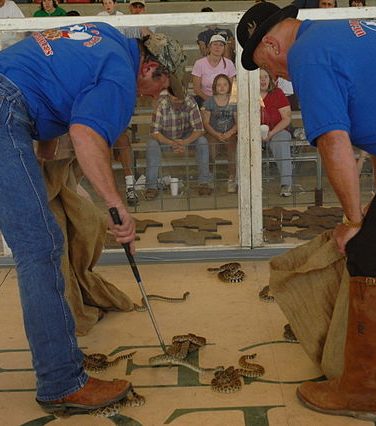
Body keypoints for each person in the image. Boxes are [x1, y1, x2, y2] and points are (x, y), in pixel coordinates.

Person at [237, 2, 376, 422]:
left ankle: (361, 392)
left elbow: (333, 141)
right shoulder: (337, 33)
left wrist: (354, 222)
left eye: (264, 65)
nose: (274, 76)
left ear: (271, 45)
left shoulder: (308, 57)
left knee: (368, 251)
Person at [0, 23, 186, 415]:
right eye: (162, 86)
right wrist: (117, 206)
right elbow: (86, 135)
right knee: (41, 248)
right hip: (4, 111)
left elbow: (52, 81)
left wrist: (44, 151)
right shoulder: (119, 76)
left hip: (10, 96)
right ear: (150, 68)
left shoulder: (104, 36)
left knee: (39, 242)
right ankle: (61, 384)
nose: (156, 95)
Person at [145, 86, 212, 199]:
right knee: (152, 144)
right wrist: (172, 143)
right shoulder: (161, 104)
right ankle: (151, 186)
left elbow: (199, 130)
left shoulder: (190, 101)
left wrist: (184, 142)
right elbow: (154, 132)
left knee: (202, 141)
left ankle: (204, 183)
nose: (179, 102)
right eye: (175, 99)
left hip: (186, 137)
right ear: (169, 96)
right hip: (165, 138)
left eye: (181, 99)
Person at [201, 74, 238, 193]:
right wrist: (216, 134)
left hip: (230, 134)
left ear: (229, 86)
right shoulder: (209, 102)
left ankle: (231, 179)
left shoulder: (233, 101)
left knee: (232, 151)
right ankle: (210, 177)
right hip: (213, 133)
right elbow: (206, 123)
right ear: (214, 87)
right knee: (210, 150)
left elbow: (238, 122)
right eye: (219, 85)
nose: (222, 87)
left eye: (225, 84)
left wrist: (230, 133)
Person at [260, 68, 293, 197]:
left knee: (281, 140)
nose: (263, 80)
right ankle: (243, 184)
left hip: (277, 130)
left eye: (265, 77)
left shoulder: (277, 93)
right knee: (243, 143)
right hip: (255, 132)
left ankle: (286, 184)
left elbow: (286, 118)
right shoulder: (249, 94)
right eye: (259, 77)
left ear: (270, 79)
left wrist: (271, 133)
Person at [192, 34, 236, 108]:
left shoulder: (229, 64)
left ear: (224, 48)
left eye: (221, 45)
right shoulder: (199, 63)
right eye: (215, 44)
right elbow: (197, 89)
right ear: (209, 47)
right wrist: (211, 101)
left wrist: (221, 101)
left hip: (224, 100)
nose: (217, 47)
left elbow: (231, 87)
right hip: (204, 99)